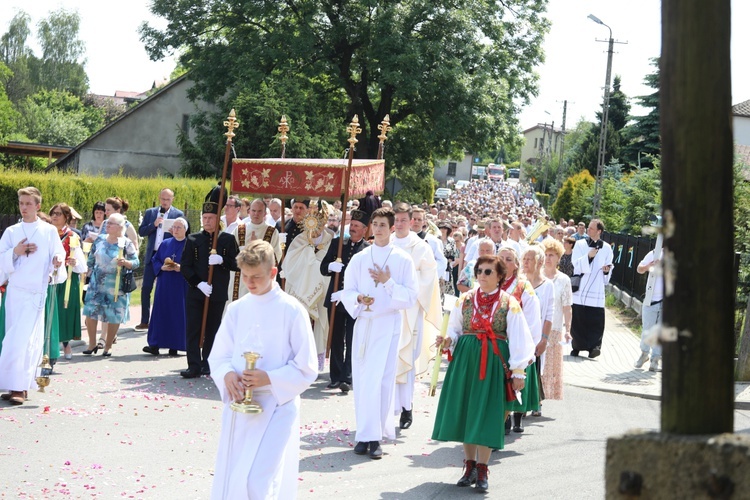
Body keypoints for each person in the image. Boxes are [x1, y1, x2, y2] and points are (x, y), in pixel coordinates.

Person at [208, 240, 317, 499]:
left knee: (259, 480)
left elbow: (307, 366)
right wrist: (227, 375)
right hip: (239, 408)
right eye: (245, 276)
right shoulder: (237, 309)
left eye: (256, 276)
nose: (250, 282)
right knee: (234, 475)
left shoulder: (292, 310)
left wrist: (269, 377)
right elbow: (220, 355)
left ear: (273, 272)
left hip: (277, 405)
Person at [431, 255, 535, 492]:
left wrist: (518, 371)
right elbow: (456, 330)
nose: (482, 276)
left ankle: (483, 468)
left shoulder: (510, 303)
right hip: (466, 361)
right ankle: (469, 467)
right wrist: (448, 340)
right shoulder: (464, 300)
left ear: (500, 276)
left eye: (488, 272)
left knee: (487, 414)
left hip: (492, 363)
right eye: (479, 271)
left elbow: (520, 338)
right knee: (468, 411)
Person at [340, 207, 418, 459]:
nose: (378, 229)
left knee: (381, 381)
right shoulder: (360, 258)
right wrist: (359, 298)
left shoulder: (402, 259)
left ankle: (376, 438)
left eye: (383, 224)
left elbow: (410, 297)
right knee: (363, 382)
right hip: (364, 323)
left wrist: (387, 281)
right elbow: (347, 290)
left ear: (393, 228)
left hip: (387, 324)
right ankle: (364, 435)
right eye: (375, 224)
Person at [0, 187, 65, 405]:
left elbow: (59, 253)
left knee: (25, 341)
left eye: (28, 203)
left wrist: (57, 260)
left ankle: (20, 387)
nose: (24, 207)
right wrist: (15, 253)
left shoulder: (48, 231)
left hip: (36, 293)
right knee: (11, 340)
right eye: (21, 203)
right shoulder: (11, 232)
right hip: (15, 293)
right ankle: (12, 384)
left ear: (38, 206)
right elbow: (1, 259)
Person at [391, 202, 442, 430]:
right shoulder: (386, 243)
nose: (400, 224)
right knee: (387, 361)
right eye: (397, 220)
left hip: (410, 311)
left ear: (411, 221)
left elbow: (428, 278)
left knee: (406, 360)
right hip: (388, 310)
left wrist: (404, 292)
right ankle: (386, 407)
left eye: (404, 220)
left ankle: (406, 407)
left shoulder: (421, 247)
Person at [180, 189, 240, 378]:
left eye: (210, 218)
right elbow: (185, 266)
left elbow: (238, 263)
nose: (207, 221)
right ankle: (194, 365)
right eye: (204, 217)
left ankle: (208, 362)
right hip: (196, 291)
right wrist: (198, 283)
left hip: (218, 291)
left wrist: (222, 260)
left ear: (217, 219)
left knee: (213, 329)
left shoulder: (227, 239)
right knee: (193, 329)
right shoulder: (193, 239)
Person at [320, 209, 370, 393]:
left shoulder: (367, 249)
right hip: (335, 299)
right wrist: (331, 267)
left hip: (354, 302)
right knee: (335, 338)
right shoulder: (337, 244)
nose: (353, 228)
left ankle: (347, 377)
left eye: (357, 226)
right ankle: (335, 376)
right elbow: (323, 268)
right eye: (352, 225)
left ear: (365, 229)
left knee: (352, 338)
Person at [283, 201, 334, 371]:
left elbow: (329, 263)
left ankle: (315, 362)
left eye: (319, 227)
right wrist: (308, 254)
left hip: (321, 291)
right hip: (299, 289)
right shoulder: (300, 240)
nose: (316, 231)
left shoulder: (331, 240)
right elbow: (289, 265)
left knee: (318, 325)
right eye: (313, 226)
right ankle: (296, 359)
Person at [82, 213, 139, 358]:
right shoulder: (100, 239)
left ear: (120, 227)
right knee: (91, 312)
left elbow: (136, 262)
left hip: (116, 285)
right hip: (97, 283)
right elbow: (91, 258)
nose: (107, 225)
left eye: (111, 223)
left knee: (113, 315)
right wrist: (87, 272)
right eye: (107, 223)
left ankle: (108, 346)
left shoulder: (126, 243)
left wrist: (126, 263)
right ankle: (92, 344)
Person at [498, 246, 541, 433]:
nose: (504, 262)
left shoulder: (523, 286)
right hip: (497, 342)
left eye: (509, 259)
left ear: (516, 265)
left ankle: (513, 417)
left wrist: (527, 346)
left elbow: (532, 318)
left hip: (516, 341)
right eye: (501, 258)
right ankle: (501, 418)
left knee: (514, 380)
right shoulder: (490, 282)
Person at [136, 188, 184, 330]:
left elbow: (184, 234)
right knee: (146, 288)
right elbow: (142, 231)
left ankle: (164, 320)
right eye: (163, 199)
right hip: (152, 255)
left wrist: (174, 233)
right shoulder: (151, 212)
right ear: (159, 198)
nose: (165, 202)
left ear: (172, 199)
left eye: (168, 199)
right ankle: (145, 320)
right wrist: (154, 225)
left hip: (168, 255)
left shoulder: (178, 214)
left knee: (164, 289)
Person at [143, 217, 189, 356]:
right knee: (160, 312)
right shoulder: (165, 243)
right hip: (165, 283)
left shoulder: (190, 245)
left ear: (185, 230)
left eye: (178, 227)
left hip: (180, 284)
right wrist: (161, 267)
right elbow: (155, 259)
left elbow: (193, 264)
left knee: (177, 313)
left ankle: (175, 345)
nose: (175, 230)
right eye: (174, 227)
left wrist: (181, 268)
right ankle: (155, 344)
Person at [570, 219, 614, 358]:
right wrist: (588, 256)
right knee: (579, 319)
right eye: (588, 228)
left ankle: (594, 347)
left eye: (591, 228)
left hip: (597, 288)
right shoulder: (580, 244)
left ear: (599, 231)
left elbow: (609, 265)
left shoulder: (606, 248)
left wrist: (607, 270)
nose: (588, 230)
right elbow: (575, 263)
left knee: (595, 320)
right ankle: (577, 346)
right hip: (581, 287)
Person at [49, 203, 87, 361]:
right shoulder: (46, 233)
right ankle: (49, 348)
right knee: (49, 315)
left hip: (66, 282)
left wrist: (74, 262)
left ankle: (65, 344)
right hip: (48, 280)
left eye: (59, 214)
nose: (55, 216)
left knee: (62, 314)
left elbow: (82, 266)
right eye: (53, 213)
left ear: (66, 217)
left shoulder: (72, 236)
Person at [226, 198, 281, 304]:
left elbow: (275, 257)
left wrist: (258, 248)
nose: (256, 214)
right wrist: (245, 249)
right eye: (253, 211)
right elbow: (230, 254)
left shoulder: (272, 232)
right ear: (249, 211)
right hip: (240, 279)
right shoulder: (239, 230)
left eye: (260, 211)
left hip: (261, 278)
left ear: (265, 213)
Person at [521, 245, 554, 417]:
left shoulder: (547, 285)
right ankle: (520, 405)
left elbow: (549, 314)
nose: (525, 262)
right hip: (519, 334)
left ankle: (534, 402)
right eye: (524, 259)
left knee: (535, 369)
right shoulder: (520, 282)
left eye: (530, 259)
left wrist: (544, 339)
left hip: (537, 336)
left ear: (539, 262)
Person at [540, 238, 573, 400]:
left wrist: (568, 330)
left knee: (549, 368)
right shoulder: (536, 277)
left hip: (555, 328)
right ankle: (534, 399)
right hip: (536, 327)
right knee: (536, 364)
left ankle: (541, 398)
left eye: (552, 255)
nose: (548, 258)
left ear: (558, 258)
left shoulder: (564, 280)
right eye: (545, 254)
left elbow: (567, 307)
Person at [634, 248, 663, 372]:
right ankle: (644, 354)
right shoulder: (654, 253)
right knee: (647, 329)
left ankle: (655, 360)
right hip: (651, 299)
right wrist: (648, 266)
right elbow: (639, 269)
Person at [438, 221, 458, 297]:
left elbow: (452, 256)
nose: (443, 230)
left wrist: (444, 260)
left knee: (447, 289)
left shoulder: (451, 241)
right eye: (441, 228)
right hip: (437, 267)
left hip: (447, 268)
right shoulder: (435, 240)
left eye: (445, 228)